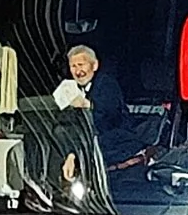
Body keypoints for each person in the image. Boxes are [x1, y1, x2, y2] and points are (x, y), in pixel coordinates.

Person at [56, 42, 138, 188]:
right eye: (73, 66)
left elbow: (108, 117)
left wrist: (88, 105)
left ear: (94, 66)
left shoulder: (107, 85)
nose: (78, 71)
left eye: (81, 65)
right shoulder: (70, 88)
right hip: (83, 144)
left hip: (114, 143)